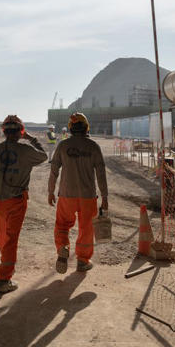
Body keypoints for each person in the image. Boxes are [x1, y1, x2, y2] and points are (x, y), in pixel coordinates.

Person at [0, 115, 48, 293]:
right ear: (20, 132)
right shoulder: (26, 151)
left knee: (4, 237)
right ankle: (4, 279)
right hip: (17, 201)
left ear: (4, 131)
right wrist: (31, 139)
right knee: (11, 239)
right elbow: (44, 156)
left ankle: (4, 268)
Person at [48, 112, 108, 273]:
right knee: (87, 228)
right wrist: (105, 197)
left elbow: (54, 170)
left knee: (62, 225)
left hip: (66, 195)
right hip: (88, 197)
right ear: (86, 127)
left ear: (70, 128)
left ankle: (63, 247)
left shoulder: (63, 145)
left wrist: (50, 191)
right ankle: (82, 261)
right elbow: (101, 173)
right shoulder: (94, 146)